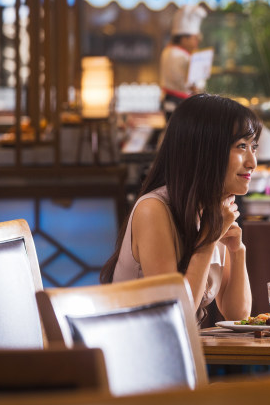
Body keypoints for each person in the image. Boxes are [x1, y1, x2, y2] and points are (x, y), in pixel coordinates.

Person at [101, 94, 257, 324]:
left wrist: (238, 251)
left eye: (253, 146)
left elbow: (238, 314)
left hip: (175, 352)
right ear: (205, 150)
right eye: (241, 146)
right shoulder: (153, 210)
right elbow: (175, 315)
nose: (252, 161)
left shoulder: (213, 208)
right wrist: (209, 240)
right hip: (134, 353)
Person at [160, 4, 207, 117]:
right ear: (183, 38)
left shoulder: (173, 52)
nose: (197, 41)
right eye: (194, 38)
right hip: (177, 104)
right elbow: (189, 83)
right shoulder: (175, 54)